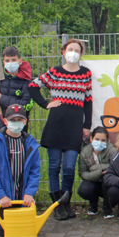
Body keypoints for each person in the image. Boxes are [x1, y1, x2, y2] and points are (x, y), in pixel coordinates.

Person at [29, 39, 93, 220]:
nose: (73, 52)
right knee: (54, 166)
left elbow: (88, 101)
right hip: (55, 126)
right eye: (70, 49)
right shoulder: (54, 72)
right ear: (63, 52)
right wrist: (46, 104)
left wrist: (86, 125)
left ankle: (66, 202)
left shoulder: (85, 74)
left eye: (77, 50)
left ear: (81, 54)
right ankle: (56, 205)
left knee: (68, 167)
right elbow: (32, 86)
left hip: (74, 127)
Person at [0, 104, 41, 237]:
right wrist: (0, 196)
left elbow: (35, 171)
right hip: (4, 199)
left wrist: (29, 193)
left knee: (24, 229)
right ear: (5, 121)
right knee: (5, 231)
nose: (16, 124)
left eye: (19, 120)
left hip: (23, 199)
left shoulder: (30, 142)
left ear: (25, 122)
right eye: (12, 121)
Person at [0, 45, 32, 139]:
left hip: (18, 131)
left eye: (13, 60)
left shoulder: (27, 82)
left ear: (20, 61)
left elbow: (25, 105)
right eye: (7, 60)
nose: (10, 63)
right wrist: (2, 128)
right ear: (3, 62)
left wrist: (2, 99)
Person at [77, 126, 118, 218]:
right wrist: (99, 171)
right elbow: (82, 173)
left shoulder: (112, 151)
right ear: (91, 139)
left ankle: (108, 208)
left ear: (107, 141)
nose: (100, 142)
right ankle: (93, 206)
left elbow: (116, 167)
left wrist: (94, 168)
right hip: (93, 181)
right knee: (84, 189)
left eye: (103, 140)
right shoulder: (85, 152)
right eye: (97, 139)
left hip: (108, 183)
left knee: (106, 178)